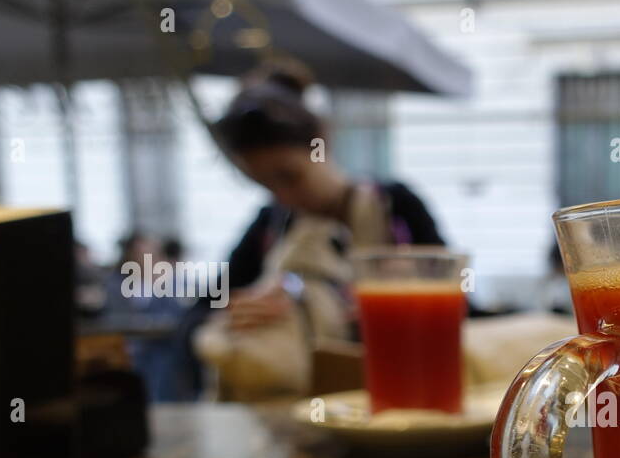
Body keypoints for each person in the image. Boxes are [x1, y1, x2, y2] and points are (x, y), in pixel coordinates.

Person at [185, 60, 446, 400]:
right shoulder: (269, 224)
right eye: (262, 183)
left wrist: (415, 294)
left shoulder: (396, 206)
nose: (282, 195)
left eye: (289, 176)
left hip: (403, 395)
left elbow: (459, 305)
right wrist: (239, 308)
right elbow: (196, 316)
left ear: (323, 140)